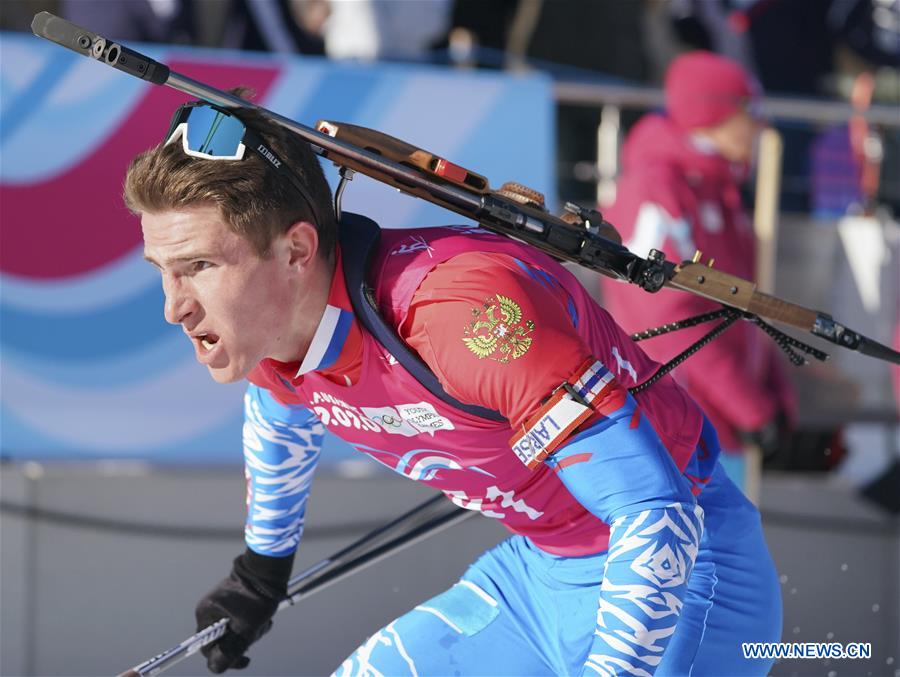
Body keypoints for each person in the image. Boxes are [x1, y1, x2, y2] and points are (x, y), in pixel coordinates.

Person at [123, 94, 782, 675]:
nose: (172, 306)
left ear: (296, 252)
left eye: (199, 265)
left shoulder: (462, 313)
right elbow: (279, 419)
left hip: (688, 578)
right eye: (162, 269)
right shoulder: (270, 332)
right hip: (540, 577)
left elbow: (656, 514)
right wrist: (261, 570)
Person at [599, 51, 796, 492]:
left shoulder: (722, 191)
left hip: (723, 428)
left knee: (730, 559)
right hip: (675, 427)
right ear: (714, 113)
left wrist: (776, 399)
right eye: (750, 111)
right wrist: (751, 407)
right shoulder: (656, 189)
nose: (760, 126)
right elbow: (671, 318)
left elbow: (747, 309)